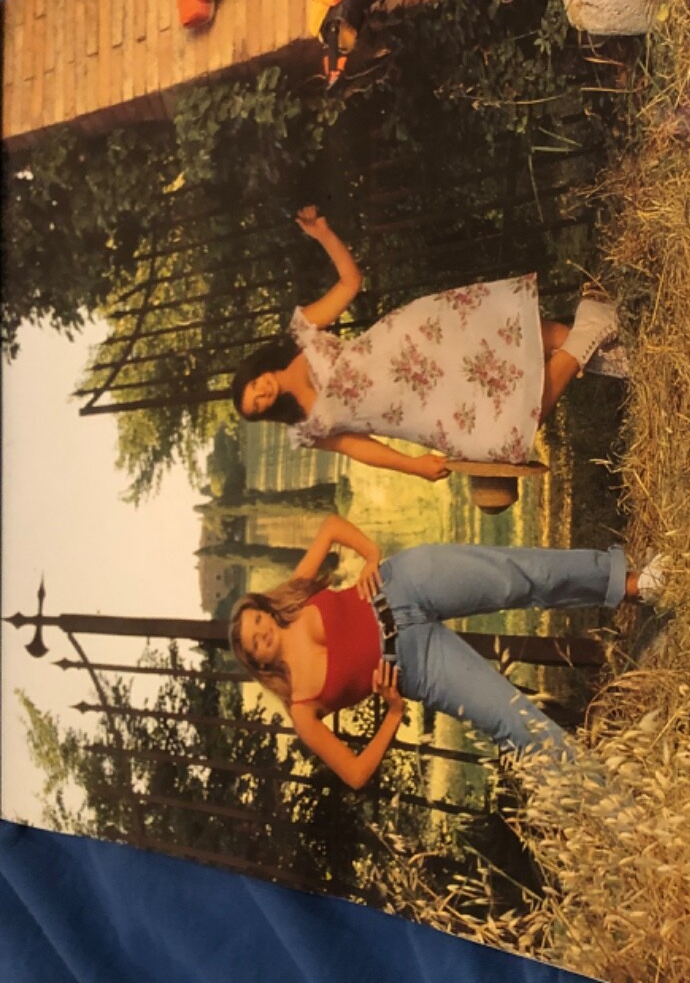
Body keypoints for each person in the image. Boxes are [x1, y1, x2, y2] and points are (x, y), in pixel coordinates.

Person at [228, 513, 665, 787]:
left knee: (518, 575)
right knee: (512, 721)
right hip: (415, 664)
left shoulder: (295, 597)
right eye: (253, 642)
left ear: (264, 610)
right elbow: (355, 774)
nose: (261, 633)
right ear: (257, 663)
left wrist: (371, 555)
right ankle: (612, 799)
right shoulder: (302, 709)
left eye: (258, 621)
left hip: (404, 584)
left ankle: (632, 584)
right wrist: (393, 713)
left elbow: (330, 528)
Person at [230, 207, 627, 480]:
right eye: (258, 405)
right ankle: (590, 331)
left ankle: (616, 352)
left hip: (408, 343)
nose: (263, 394)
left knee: (503, 337)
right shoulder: (305, 428)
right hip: (421, 411)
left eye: (254, 387)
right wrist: (413, 466)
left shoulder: (300, 334)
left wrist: (323, 234)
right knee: (504, 434)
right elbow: (357, 447)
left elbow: (350, 283)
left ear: (255, 371)